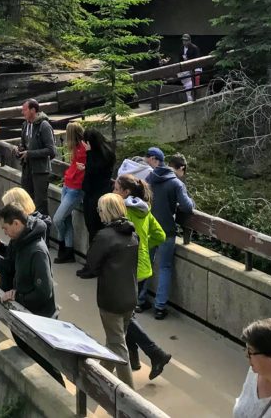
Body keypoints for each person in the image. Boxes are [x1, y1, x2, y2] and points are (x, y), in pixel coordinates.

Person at [0, 204, 63, 384]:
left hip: (39, 321)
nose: (4, 232)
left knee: (46, 365)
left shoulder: (37, 251)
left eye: (5, 228)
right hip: (25, 316)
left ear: (16, 223)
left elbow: (44, 292)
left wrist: (17, 296)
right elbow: (13, 263)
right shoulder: (22, 241)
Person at [76, 194, 139, 388]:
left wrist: (84, 273)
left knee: (118, 346)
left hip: (110, 299)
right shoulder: (132, 234)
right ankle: (99, 378)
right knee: (115, 341)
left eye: (100, 210)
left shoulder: (104, 236)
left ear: (107, 211)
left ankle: (130, 396)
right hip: (130, 296)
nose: (99, 213)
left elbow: (91, 264)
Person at [115, 174, 171, 379]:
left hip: (128, 267)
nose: (113, 192)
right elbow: (161, 236)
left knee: (124, 316)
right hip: (143, 267)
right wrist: (145, 246)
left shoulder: (124, 211)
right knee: (128, 314)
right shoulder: (143, 210)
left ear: (126, 192)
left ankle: (156, 353)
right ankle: (135, 358)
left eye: (116, 189)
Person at [145, 153, 194, 319]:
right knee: (165, 267)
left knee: (147, 263)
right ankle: (159, 307)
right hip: (166, 230)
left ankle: (139, 300)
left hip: (150, 228)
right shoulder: (176, 183)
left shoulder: (151, 177)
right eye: (184, 171)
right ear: (180, 168)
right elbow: (187, 207)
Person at [54, 122, 87, 264]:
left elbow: (91, 166)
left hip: (76, 189)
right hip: (68, 185)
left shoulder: (85, 149)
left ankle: (62, 243)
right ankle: (68, 251)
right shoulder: (76, 148)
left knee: (58, 219)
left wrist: (85, 167)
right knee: (66, 220)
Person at [17, 100, 57, 215]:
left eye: (24, 110)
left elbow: (51, 150)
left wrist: (30, 153)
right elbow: (24, 144)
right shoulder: (25, 125)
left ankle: (43, 231)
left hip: (40, 171)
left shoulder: (44, 126)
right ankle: (29, 229)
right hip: (27, 168)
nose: (22, 112)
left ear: (33, 110)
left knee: (40, 204)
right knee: (25, 201)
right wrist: (20, 149)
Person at [82, 129, 116, 242]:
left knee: (93, 227)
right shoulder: (107, 152)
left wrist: (89, 153)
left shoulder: (96, 155)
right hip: (102, 191)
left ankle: (94, 254)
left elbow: (93, 172)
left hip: (95, 194)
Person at [177, 33, 202, 102]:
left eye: (186, 40)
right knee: (185, 81)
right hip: (185, 68)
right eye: (183, 40)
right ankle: (189, 97)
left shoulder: (195, 48)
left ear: (189, 40)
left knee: (193, 82)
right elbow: (179, 59)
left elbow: (197, 60)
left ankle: (194, 97)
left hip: (193, 67)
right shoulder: (181, 48)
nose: (184, 42)